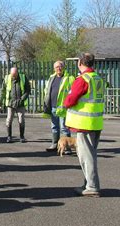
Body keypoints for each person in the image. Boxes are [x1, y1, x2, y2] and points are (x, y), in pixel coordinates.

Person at [64, 53, 104, 197]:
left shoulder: (82, 79)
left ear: (80, 62)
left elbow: (71, 99)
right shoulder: (97, 78)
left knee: (86, 156)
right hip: (95, 122)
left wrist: (65, 103)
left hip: (84, 123)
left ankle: (92, 187)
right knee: (90, 155)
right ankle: (89, 184)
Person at [43, 61, 75, 153]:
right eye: (57, 67)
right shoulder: (51, 78)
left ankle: (68, 147)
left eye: (60, 66)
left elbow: (72, 92)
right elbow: (47, 91)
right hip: (53, 106)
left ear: (63, 67)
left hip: (63, 107)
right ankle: (55, 144)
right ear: (54, 69)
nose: (59, 68)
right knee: (54, 127)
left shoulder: (69, 78)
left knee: (64, 128)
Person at [0, 67, 31, 143]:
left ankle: (22, 136)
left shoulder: (23, 77)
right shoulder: (7, 78)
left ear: (17, 73)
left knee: (21, 120)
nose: (13, 76)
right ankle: (9, 136)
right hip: (10, 103)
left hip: (20, 103)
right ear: (10, 73)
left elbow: (28, 90)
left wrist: (22, 99)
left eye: (15, 75)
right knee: (9, 120)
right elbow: (3, 92)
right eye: (12, 75)